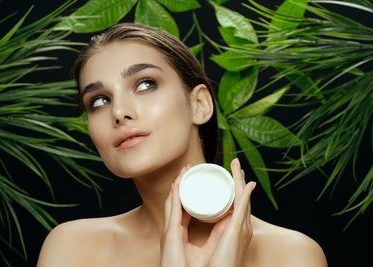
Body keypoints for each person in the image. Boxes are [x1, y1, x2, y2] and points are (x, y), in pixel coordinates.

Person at [37, 22, 327, 267]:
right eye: (99, 101)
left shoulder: (291, 255)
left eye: (145, 84)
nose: (118, 112)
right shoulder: (73, 249)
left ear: (199, 104)